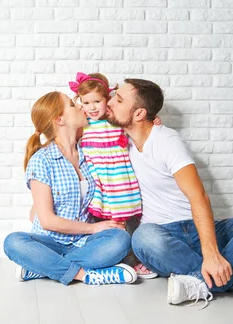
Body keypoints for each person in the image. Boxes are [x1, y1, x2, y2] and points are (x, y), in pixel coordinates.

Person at [105, 78, 233, 308]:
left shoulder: (167, 141)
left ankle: (200, 282)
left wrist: (210, 253)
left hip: (197, 228)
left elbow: (198, 197)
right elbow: (89, 112)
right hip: (163, 237)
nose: (110, 102)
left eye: (118, 99)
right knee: (143, 238)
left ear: (140, 113)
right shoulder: (118, 140)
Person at [3, 91, 137, 286]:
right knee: (13, 242)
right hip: (49, 242)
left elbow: (114, 122)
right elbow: (47, 221)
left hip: (84, 242)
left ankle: (44, 268)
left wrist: (150, 119)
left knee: (121, 240)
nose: (82, 106)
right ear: (60, 119)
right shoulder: (42, 160)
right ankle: (85, 275)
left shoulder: (89, 152)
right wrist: (93, 227)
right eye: (73, 105)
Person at [69, 72, 156, 279]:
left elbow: (138, 126)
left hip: (118, 179)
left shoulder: (114, 121)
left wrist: (154, 120)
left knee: (126, 222)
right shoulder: (83, 126)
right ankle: (108, 257)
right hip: (99, 181)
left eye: (97, 101)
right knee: (102, 222)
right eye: (86, 102)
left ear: (107, 99)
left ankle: (132, 257)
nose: (92, 107)